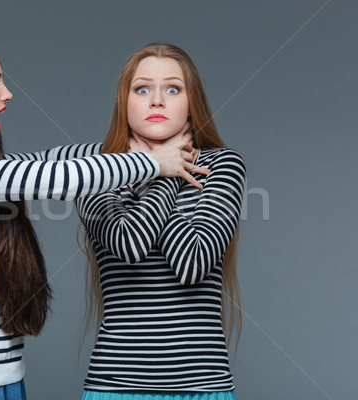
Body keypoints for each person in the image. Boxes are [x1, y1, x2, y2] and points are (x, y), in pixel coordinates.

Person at [0, 37, 208, 400]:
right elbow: (53, 178)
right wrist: (156, 162)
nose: (8, 93)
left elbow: (53, 159)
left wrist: (140, 142)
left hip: (0, 375)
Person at [76, 43, 246, 400]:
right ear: (126, 102)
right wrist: (162, 168)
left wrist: (166, 168)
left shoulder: (223, 166)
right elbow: (129, 244)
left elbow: (192, 264)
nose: (157, 100)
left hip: (202, 387)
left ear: (191, 102)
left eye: (172, 88)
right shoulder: (96, 168)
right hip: (116, 386)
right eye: (142, 89)